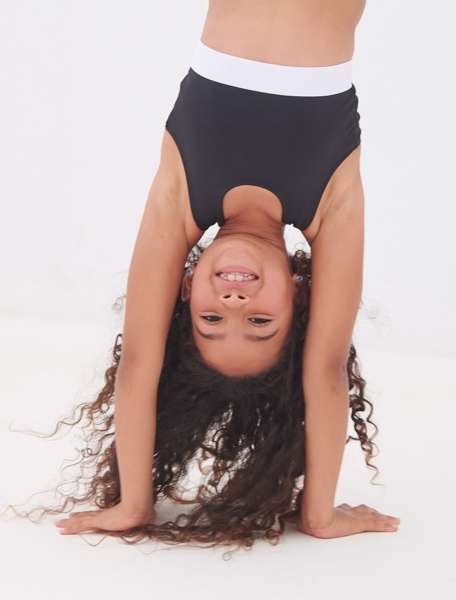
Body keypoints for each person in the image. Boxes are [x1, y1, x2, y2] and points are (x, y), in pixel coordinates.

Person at [4, 0, 400, 552]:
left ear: (186, 290)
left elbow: (140, 361)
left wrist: (134, 503)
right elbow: (326, 371)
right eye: (259, 323)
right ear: (299, 298)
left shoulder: (180, 200)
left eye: (211, 319)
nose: (235, 302)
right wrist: (319, 513)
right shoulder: (332, 205)